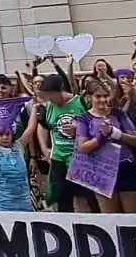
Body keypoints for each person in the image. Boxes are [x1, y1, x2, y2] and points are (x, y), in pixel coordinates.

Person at [74, 83, 136, 213]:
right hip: (102, 171)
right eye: (98, 96)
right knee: (111, 217)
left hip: (126, 167)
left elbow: (135, 140)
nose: (103, 100)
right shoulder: (84, 118)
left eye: (106, 96)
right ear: (90, 97)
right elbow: (83, 147)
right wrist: (102, 136)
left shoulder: (118, 114)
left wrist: (115, 133)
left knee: (135, 216)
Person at [36, 74, 96, 212]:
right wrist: (45, 149)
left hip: (80, 158)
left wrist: (79, 128)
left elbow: (96, 124)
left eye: (52, 95)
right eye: (47, 96)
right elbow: (44, 126)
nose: (50, 99)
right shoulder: (49, 106)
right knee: (62, 198)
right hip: (58, 159)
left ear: (61, 90)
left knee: (87, 197)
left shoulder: (80, 102)